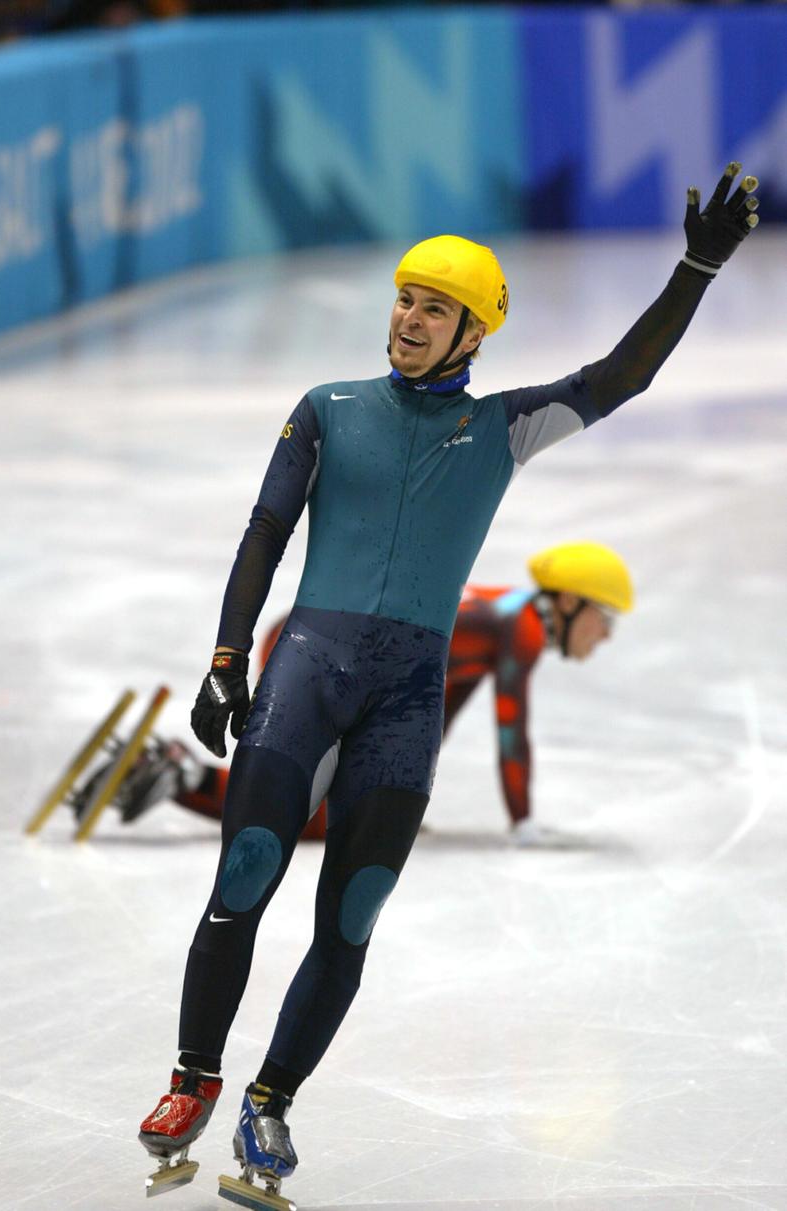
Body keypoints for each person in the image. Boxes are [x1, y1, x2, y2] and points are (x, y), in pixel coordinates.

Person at [138, 165, 759, 1207]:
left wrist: (696, 269)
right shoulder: (327, 408)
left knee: (356, 909)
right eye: (405, 299)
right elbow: (263, 533)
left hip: (403, 700)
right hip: (308, 671)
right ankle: (192, 1077)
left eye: (436, 309)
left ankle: (270, 1095)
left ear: (475, 334)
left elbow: (625, 374)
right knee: (246, 871)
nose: (410, 319)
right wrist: (226, 654)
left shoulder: (506, 429)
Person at [98, 541, 633, 847]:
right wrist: (522, 824)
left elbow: (439, 706)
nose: (606, 636)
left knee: (318, 813)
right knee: (308, 819)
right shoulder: (524, 630)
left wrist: (402, 790)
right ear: (566, 603)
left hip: (316, 644)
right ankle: (179, 770)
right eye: (603, 618)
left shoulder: (505, 618)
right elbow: (511, 730)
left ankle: (177, 771)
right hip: (320, 657)